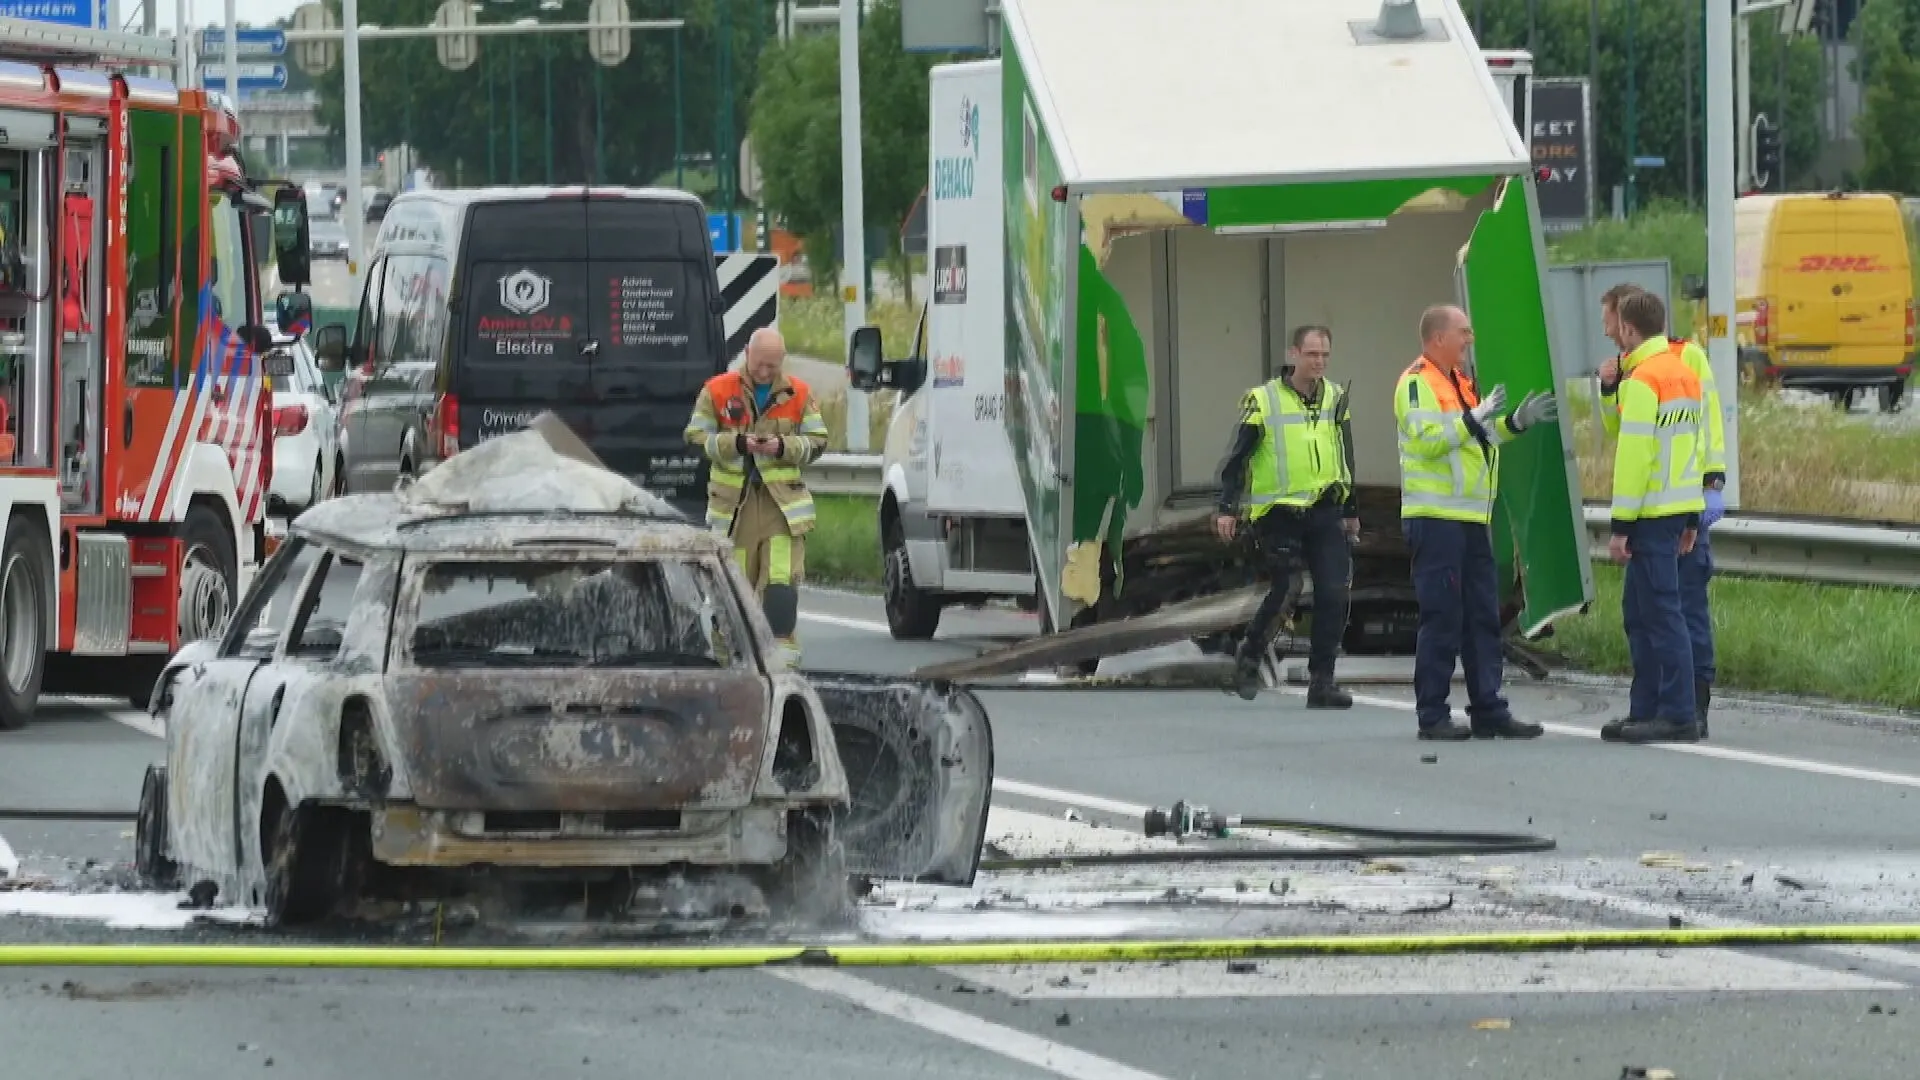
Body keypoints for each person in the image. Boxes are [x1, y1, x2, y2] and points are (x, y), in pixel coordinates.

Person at [1393, 305, 1559, 741]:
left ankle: (1489, 709)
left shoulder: (1460, 382)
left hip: (1470, 518)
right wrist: (1474, 418)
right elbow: (1428, 442)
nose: (1470, 339)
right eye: (1464, 331)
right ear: (1438, 338)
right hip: (1436, 518)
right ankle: (1432, 715)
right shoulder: (1416, 383)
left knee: (1483, 617)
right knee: (1442, 617)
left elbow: (1478, 437)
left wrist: (1515, 423)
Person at [1597, 283, 1726, 738]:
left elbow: (1638, 454)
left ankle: (1682, 711)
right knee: (1644, 611)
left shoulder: (1662, 369)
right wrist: (1608, 389)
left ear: (1628, 325)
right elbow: (1665, 440)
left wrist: (1620, 526)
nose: (1608, 332)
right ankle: (1649, 708)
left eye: (1610, 323)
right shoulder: (1658, 371)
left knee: (1672, 611)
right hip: (1678, 507)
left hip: (1658, 510)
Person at [1213, 326, 1359, 706]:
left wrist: (1351, 509)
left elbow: (1345, 455)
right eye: (1312, 354)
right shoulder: (1264, 400)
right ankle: (1248, 657)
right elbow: (1236, 458)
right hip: (1278, 512)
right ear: (1293, 354)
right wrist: (1227, 508)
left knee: (1334, 592)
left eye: (1325, 355)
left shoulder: (1336, 397)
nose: (1319, 362)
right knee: (1287, 587)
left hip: (1325, 508)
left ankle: (1322, 682)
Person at [684, 327, 830, 668]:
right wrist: (736, 444)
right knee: (734, 588)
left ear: (782, 361)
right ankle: (731, 659)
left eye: (772, 366)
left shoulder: (798, 393)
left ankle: (782, 667)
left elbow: (817, 441)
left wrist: (782, 447)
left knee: (780, 586)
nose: (764, 372)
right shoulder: (717, 390)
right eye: (759, 364)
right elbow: (695, 436)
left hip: (782, 508)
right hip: (735, 509)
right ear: (747, 353)